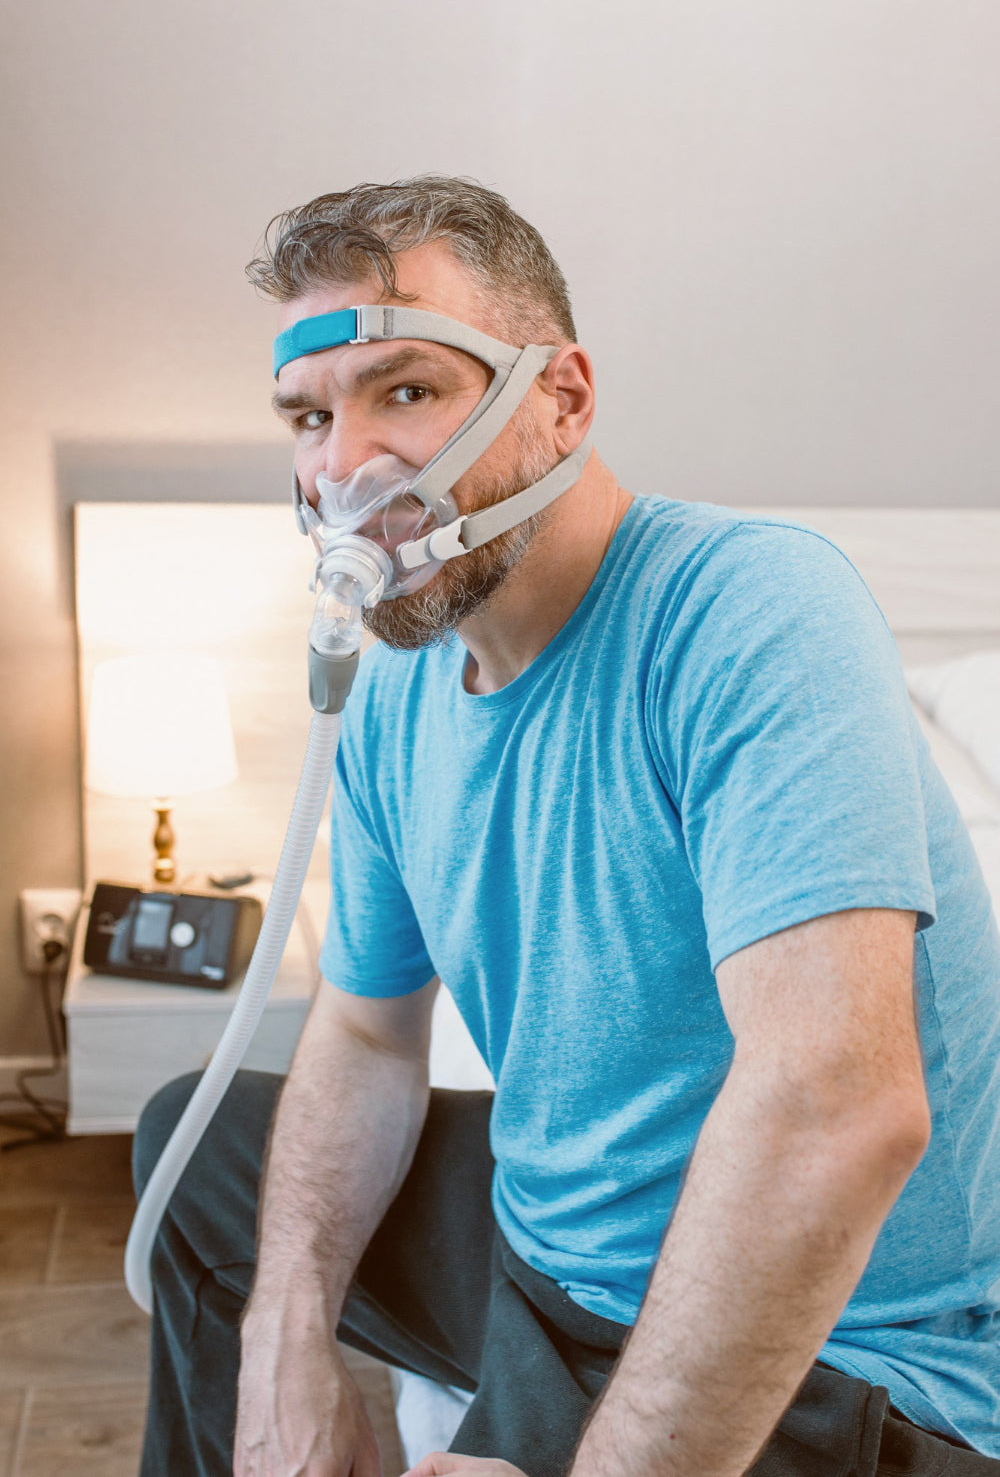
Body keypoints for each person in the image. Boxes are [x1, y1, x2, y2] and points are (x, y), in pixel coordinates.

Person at [134, 176, 1000, 1477]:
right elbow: (369, 1034)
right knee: (192, 1148)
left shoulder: (750, 614)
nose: (343, 468)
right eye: (310, 416)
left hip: (840, 1348)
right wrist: (288, 1330)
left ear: (563, 400)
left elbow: (836, 1110)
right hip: (552, 1258)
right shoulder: (393, 699)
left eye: (408, 391)